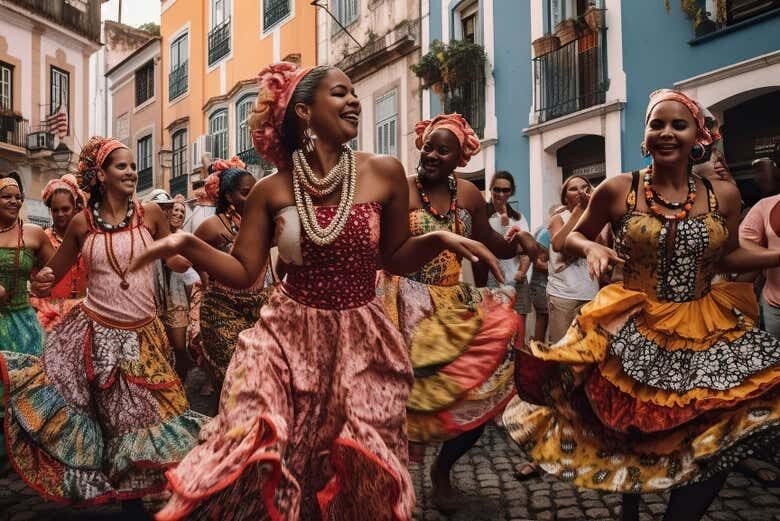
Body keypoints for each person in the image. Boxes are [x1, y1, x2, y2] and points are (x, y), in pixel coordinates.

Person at [131, 62, 503, 521]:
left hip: (359, 338)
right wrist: (186, 242)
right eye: (340, 93)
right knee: (275, 443)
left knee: (349, 462)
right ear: (304, 112)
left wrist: (440, 239)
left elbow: (393, 258)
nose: (354, 101)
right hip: (287, 336)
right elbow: (246, 270)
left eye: (353, 93)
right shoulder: (271, 190)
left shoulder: (385, 173)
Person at [503, 89, 780, 521]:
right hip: (633, 322)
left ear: (698, 136)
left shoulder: (722, 195)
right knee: (629, 423)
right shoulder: (619, 188)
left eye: (678, 124)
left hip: (703, 325)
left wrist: (776, 254)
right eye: (657, 124)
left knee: (707, 426)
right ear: (645, 135)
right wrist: (592, 248)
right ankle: (629, 505)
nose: (666, 133)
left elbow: (728, 257)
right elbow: (568, 239)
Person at [0, 136, 208, 516]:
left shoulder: (151, 215)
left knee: (168, 413)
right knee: (122, 425)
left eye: (132, 166)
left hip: (146, 335)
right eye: (122, 166)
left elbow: (175, 260)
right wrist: (41, 279)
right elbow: (53, 270)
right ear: (101, 174)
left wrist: (195, 262)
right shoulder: (82, 223)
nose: (131, 172)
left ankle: (165, 488)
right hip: (101, 340)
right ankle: (133, 505)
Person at [377, 113, 538, 511]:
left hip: (451, 305)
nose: (431, 154)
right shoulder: (400, 191)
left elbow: (493, 244)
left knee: (477, 393)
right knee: (392, 400)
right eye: (428, 146)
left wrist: (523, 240)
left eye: (442, 150)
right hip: (399, 303)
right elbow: (385, 252)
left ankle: (442, 471)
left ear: (459, 159)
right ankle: (383, 484)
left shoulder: (467, 196)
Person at [193, 156, 268, 390]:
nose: (254, 196)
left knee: (261, 376)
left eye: (256, 191)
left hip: (259, 307)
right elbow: (192, 255)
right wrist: (206, 281)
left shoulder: (265, 223)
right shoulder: (212, 226)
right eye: (247, 192)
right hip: (222, 308)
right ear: (229, 197)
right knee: (233, 380)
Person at [0, 175, 53, 470]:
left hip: (24, 323)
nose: (15, 201)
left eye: (18, 196)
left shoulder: (32, 233)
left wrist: (45, 278)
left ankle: (29, 450)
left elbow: (57, 268)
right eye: (7, 196)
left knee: (31, 388)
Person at [146, 189, 200, 380]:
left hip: (177, 301)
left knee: (179, 348)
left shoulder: (184, 238)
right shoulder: (145, 237)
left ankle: (181, 387)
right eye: (167, 209)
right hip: (151, 303)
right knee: (157, 349)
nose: (172, 213)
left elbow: (193, 274)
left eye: (178, 212)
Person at [29, 174, 88, 331]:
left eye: (65, 209)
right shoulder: (43, 239)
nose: (60, 214)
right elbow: (33, 281)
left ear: (75, 209)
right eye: (55, 210)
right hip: (51, 319)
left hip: (84, 316)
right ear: (50, 211)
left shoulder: (86, 239)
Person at [546, 176, 600, 343]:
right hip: (563, 294)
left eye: (584, 187)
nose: (580, 191)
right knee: (562, 348)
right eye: (573, 188)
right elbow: (558, 244)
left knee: (586, 348)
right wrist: (578, 212)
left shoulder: (596, 217)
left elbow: (602, 247)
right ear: (564, 197)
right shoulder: (559, 218)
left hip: (590, 292)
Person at [484, 170, 533, 320]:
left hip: (517, 275)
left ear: (512, 192)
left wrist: (522, 271)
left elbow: (527, 248)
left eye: (506, 190)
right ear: (490, 189)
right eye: (497, 189)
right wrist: (504, 229)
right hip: (490, 276)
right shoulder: (483, 215)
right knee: (494, 324)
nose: (501, 194)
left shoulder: (518, 218)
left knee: (518, 323)